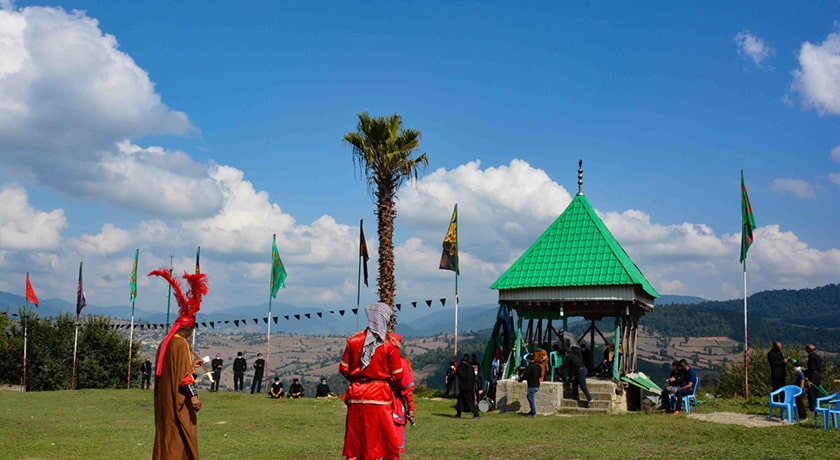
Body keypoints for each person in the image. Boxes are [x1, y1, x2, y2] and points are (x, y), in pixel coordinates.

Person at [149, 268, 208, 460]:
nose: (191, 334)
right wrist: (193, 397)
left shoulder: (166, 343)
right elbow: (183, 377)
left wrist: (194, 367)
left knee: (168, 432)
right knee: (181, 433)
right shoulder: (181, 343)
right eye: (191, 330)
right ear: (187, 328)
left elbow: (177, 372)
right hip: (178, 400)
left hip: (165, 399)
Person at [340, 302, 403, 460]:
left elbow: (344, 368)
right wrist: (387, 384)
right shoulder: (389, 344)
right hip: (379, 394)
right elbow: (398, 375)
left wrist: (357, 379)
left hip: (356, 393)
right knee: (384, 436)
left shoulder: (353, 341)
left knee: (356, 436)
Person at [392, 336, 416, 454]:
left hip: (371, 402)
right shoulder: (401, 363)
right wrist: (411, 409)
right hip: (393, 404)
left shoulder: (372, 359)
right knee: (392, 446)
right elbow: (407, 389)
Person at [805, 344, 822, 412]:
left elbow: (811, 368)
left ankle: (812, 407)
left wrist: (805, 373)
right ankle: (816, 405)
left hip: (813, 376)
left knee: (811, 391)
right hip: (818, 374)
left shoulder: (811, 357)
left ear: (809, 350)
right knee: (816, 391)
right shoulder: (817, 356)